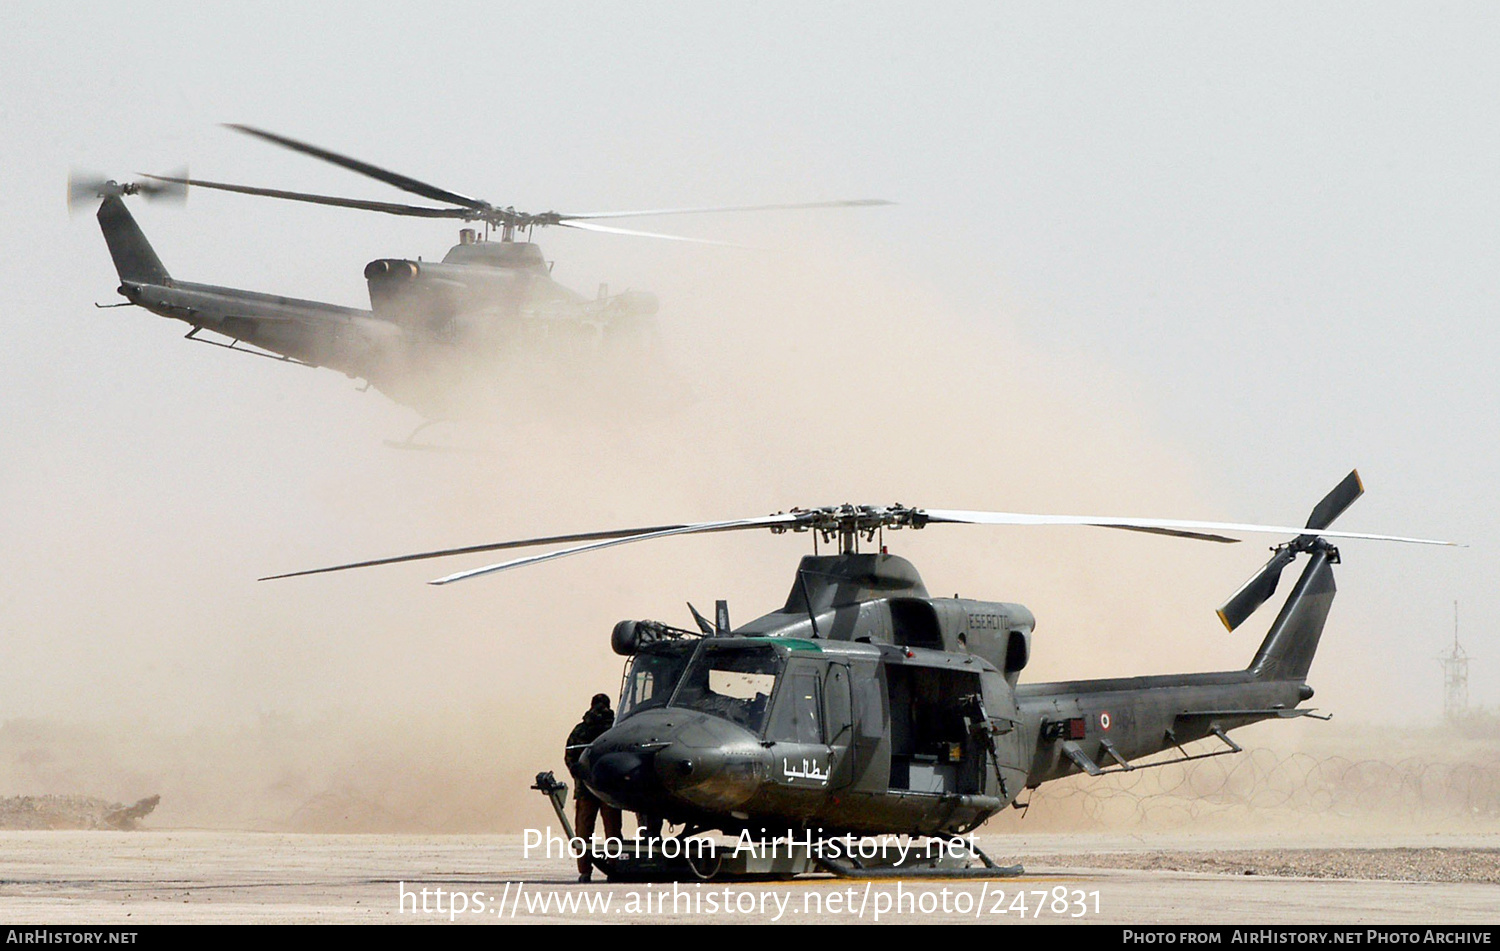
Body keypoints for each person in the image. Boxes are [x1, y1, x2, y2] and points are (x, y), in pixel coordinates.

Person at [565, 693, 622, 882]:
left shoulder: (581, 729)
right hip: (609, 790)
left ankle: (585, 871)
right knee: (612, 830)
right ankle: (614, 868)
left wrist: (580, 776)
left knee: (583, 831)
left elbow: (570, 756)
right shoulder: (616, 728)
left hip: (586, 790)